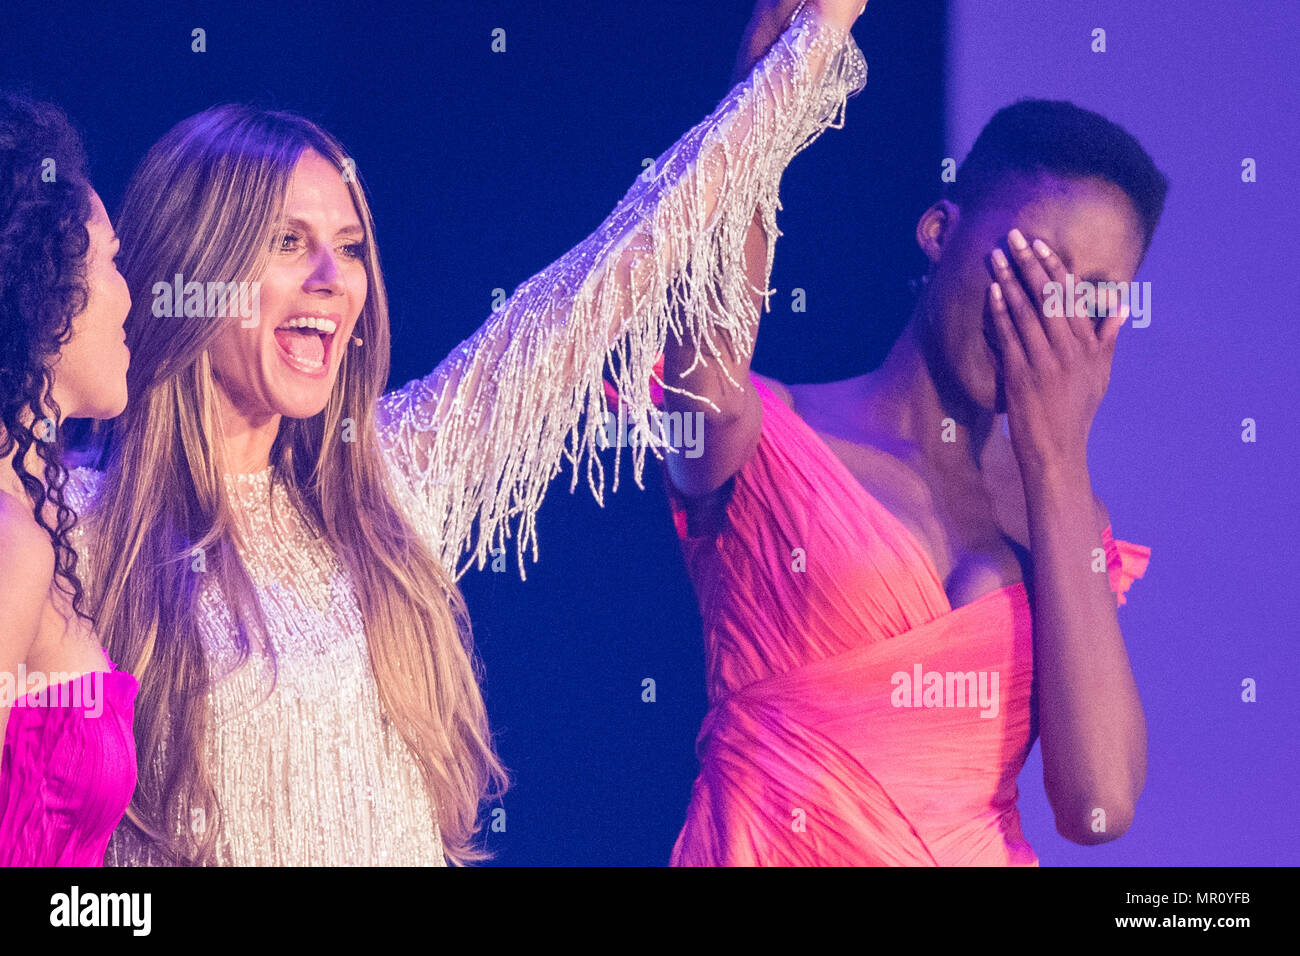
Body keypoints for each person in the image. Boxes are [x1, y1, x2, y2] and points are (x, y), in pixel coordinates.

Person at [63, 0, 869, 865]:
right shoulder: (74, 523)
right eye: (288, 242)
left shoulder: (392, 477)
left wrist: (792, 58)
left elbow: (610, 276)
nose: (335, 280)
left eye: (352, 246)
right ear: (194, 265)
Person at [651, 86, 1165, 864]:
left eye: (1086, 299)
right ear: (939, 232)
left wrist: (1057, 464)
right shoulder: (772, 436)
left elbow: (1098, 806)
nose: (1046, 321)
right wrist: (767, 88)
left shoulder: (1062, 518)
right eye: (1031, 268)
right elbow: (705, 381)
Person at [0, 93, 137, 866]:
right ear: (42, 285)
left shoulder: (37, 520)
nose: (128, 296)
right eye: (111, 260)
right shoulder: (11, 546)